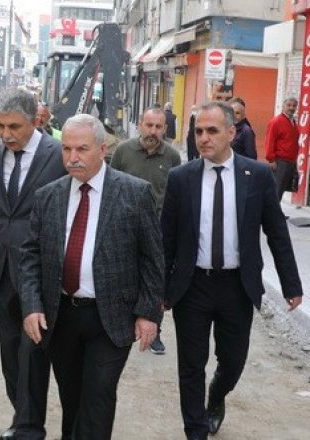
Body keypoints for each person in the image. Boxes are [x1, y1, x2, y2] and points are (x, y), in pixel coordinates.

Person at [161, 102, 303, 440]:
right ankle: (195, 430)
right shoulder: (180, 178)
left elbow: (277, 233)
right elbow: (164, 238)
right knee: (191, 366)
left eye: (211, 131)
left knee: (233, 361)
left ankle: (217, 395)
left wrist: (291, 284)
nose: (204, 138)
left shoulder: (257, 175)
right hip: (192, 286)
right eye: (198, 132)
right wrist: (159, 290)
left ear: (231, 133)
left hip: (237, 286)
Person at [21, 114, 163, 440]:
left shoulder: (134, 193)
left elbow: (153, 260)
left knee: (98, 395)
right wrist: (32, 305)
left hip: (111, 318)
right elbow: (29, 256)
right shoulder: (48, 196)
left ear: (102, 149)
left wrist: (148, 312)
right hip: (62, 316)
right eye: (66, 149)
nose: (72, 158)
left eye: (81, 149)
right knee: (72, 398)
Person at [0, 88, 66, 440]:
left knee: (33, 351)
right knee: (8, 352)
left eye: (15, 126)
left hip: (41, 271)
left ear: (36, 121)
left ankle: (29, 427)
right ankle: (23, 416)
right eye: (1, 125)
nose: (6, 134)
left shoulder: (59, 154)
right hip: (1, 267)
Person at [110, 106, 181, 355]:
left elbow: (174, 196)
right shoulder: (122, 151)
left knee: (155, 281)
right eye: (149, 125)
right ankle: (123, 324)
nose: (153, 131)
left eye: (158, 126)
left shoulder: (172, 157)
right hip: (125, 227)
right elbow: (111, 185)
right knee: (125, 277)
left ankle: (155, 332)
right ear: (140, 124)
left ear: (165, 128)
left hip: (158, 230)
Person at [264, 97, 299, 202]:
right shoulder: (276, 121)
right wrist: (271, 160)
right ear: (283, 106)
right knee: (276, 190)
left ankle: (276, 213)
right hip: (280, 162)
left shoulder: (292, 122)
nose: (291, 108)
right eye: (289, 105)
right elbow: (270, 140)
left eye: (294, 106)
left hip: (290, 162)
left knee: (282, 189)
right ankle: (271, 216)